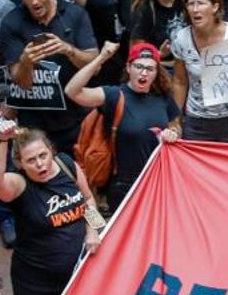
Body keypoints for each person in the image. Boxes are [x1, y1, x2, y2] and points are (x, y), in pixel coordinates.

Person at [0, 122, 103, 295]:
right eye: (31, 160)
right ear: (20, 164)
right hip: (37, 286)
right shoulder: (20, 184)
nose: (40, 164)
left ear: (52, 151)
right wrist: (1, 140)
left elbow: (89, 200)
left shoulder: (67, 165)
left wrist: (93, 230)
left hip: (78, 276)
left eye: (43, 155)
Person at [66, 41, 181, 211]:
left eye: (150, 69)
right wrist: (102, 57)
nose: (143, 72)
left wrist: (173, 133)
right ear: (128, 68)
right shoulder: (114, 95)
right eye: (138, 66)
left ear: (156, 73)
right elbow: (72, 91)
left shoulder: (163, 97)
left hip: (160, 180)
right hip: (125, 186)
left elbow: (176, 125)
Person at [0, 0, 100, 149]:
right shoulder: (11, 23)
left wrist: (68, 50)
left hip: (76, 120)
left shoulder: (75, 14)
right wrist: (26, 62)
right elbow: (21, 82)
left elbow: (94, 66)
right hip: (34, 128)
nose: (34, 1)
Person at [164, 0, 228, 146]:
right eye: (190, 4)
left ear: (215, 7)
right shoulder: (181, 39)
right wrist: (175, 120)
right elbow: (180, 82)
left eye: (200, 3)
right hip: (197, 122)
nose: (194, 9)